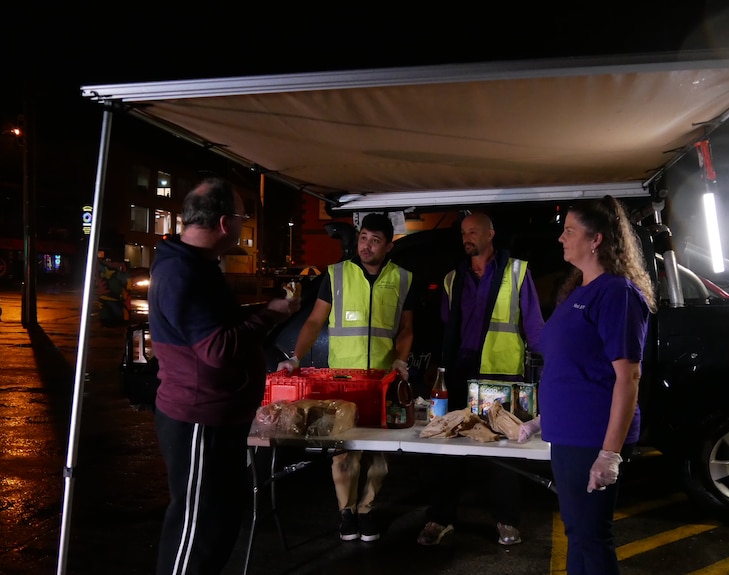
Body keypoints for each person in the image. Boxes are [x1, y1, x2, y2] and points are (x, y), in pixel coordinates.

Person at [148, 177, 300, 575]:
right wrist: (271, 315)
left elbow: (222, 323)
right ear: (223, 223)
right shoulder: (183, 273)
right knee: (195, 529)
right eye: (241, 217)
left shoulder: (196, 265)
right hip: (199, 419)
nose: (241, 225)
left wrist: (262, 309)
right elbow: (216, 349)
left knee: (218, 523)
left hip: (219, 418)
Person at [531, 196, 656, 574]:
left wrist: (610, 453)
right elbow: (573, 367)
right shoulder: (578, 291)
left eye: (570, 231)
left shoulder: (616, 293)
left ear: (596, 239)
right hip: (569, 435)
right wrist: (540, 419)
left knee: (591, 536)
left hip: (592, 437)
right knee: (578, 533)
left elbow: (628, 376)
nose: (561, 238)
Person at [276, 213, 414, 543]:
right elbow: (313, 321)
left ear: (389, 246)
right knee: (344, 451)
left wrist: (401, 359)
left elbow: (407, 329)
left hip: (383, 381)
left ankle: (367, 510)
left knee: (379, 455)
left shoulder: (403, 278)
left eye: (375, 240)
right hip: (343, 382)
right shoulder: (335, 275)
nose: (366, 245)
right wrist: (294, 357)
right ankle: (346, 513)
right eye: (363, 237)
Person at [417, 212, 544, 546]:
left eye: (473, 231)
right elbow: (446, 326)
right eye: (463, 233)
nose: (466, 238)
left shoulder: (517, 271)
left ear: (491, 234)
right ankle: (440, 518)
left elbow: (534, 325)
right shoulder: (452, 278)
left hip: (499, 376)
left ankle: (506, 521)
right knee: (448, 446)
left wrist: (551, 367)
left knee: (503, 452)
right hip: (460, 373)